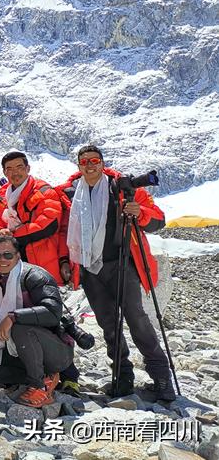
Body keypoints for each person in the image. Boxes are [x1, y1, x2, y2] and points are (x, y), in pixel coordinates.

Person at [59, 145, 173, 400]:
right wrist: (65, 260)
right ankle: (123, 378)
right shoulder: (70, 193)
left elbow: (158, 220)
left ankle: (162, 377)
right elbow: (63, 230)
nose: (90, 165)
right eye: (85, 161)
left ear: (102, 163)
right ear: (78, 166)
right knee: (108, 324)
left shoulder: (121, 188)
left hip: (122, 264)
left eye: (94, 160)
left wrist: (140, 213)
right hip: (89, 269)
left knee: (137, 319)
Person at [0, 235, 74, 407]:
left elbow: (53, 312)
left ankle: (39, 386)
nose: (2, 259)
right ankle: (45, 377)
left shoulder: (35, 276)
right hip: (19, 349)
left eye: (8, 255)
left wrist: (13, 316)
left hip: (55, 352)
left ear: (18, 255)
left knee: (19, 328)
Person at [0, 151, 70, 285]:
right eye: (10, 169)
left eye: (19, 167)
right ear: (5, 172)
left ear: (28, 168)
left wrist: (11, 235)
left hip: (43, 261)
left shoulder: (44, 191)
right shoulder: (2, 196)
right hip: (11, 264)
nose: (15, 172)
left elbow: (48, 225)